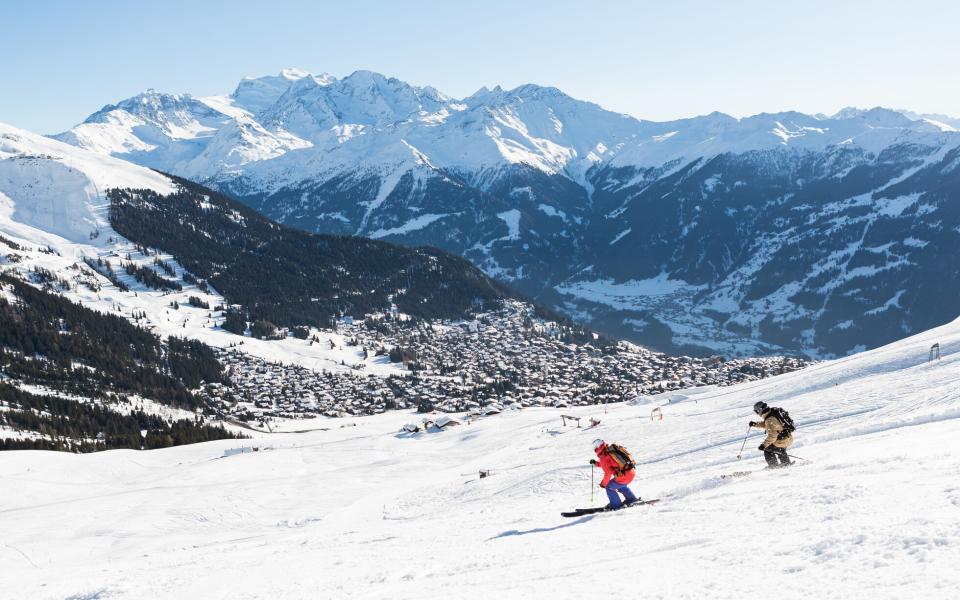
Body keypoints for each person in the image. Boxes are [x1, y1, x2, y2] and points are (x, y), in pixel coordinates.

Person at [590, 439, 638, 509]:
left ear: (597, 447)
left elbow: (608, 473)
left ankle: (616, 505)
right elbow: (609, 464)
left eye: (594, 447)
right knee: (621, 485)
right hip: (630, 472)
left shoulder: (603, 456)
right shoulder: (610, 450)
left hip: (623, 475)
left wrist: (603, 484)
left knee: (609, 486)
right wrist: (596, 463)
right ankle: (632, 499)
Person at [749, 401, 793, 468]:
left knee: (767, 449)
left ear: (760, 410)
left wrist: (764, 445)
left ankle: (773, 466)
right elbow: (768, 424)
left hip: (782, 440)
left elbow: (772, 436)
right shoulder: (771, 413)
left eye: (757, 412)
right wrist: (755, 424)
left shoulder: (769, 419)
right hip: (787, 437)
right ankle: (786, 462)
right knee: (777, 448)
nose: (757, 414)